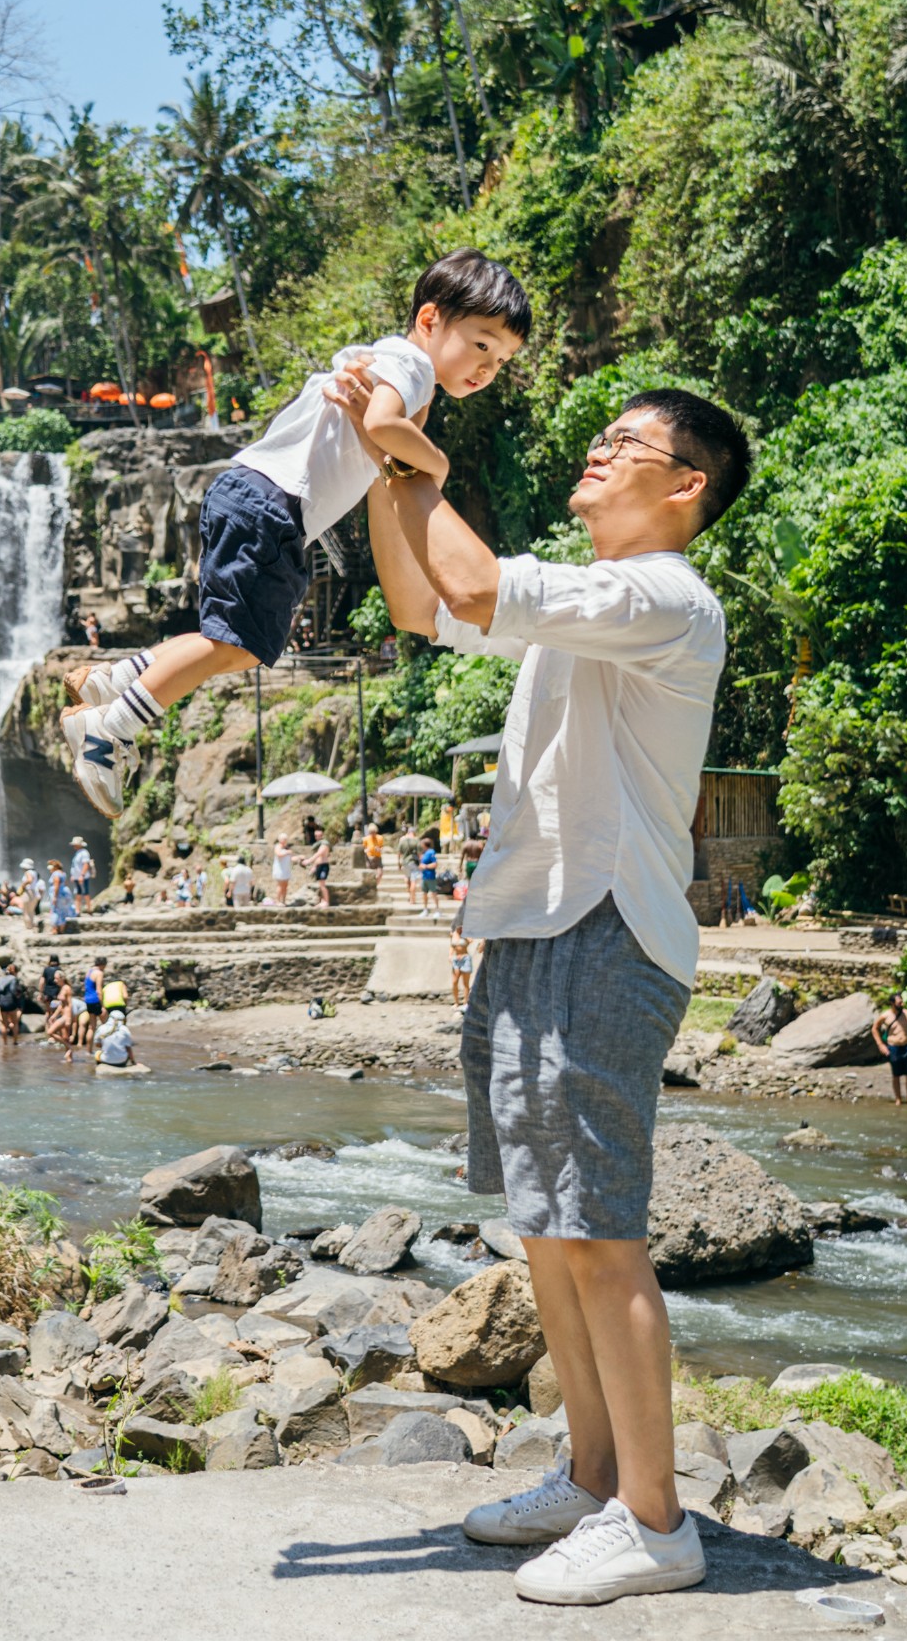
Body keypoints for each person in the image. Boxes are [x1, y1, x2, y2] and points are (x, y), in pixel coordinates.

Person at [330, 363, 751, 1607]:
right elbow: (421, 600)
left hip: (604, 922)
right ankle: (591, 1474)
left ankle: (656, 1520)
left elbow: (465, 575)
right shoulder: (590, 603)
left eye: (626, 443)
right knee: (548, 1220)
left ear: (685, 486)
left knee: (599, 1226)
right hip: (532, 923)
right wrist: (385, 464)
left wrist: (421, 461)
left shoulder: (662, 593)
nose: (598, 449)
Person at [60, 250, 530, 816]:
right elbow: (381, 426)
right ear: (430, 319)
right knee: (236, 644)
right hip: (271, 505)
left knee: (238, 642)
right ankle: (108, 729)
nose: (487, 368)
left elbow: (376, 441)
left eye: (502, 360)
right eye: (482, 344)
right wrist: (438, 465)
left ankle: (117, 678)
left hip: (258, 499)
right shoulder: (411, 367)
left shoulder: (391, 361)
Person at [873, 992, 907, 1106]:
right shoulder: (885, 1016)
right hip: (893, 1047)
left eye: (902, 1001)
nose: (902, 1003)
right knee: (896, 1075)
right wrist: (881, 1045)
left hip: (906, 1046)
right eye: (899, 1002)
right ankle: (898, 1099)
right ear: (892, 1003)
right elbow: (874, 1029)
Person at [0, 961, 24, 1044]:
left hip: (2, 1002)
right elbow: (14, 991)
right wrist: (19, 1003)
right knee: (15, 1023)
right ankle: (15, 1042)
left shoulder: (1, 979)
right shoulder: (14, 979)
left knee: (4, 1024)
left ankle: (5, 1043)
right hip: (11, 1002)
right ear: (15, 972)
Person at [449, 923, 473, 1008]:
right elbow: (452, 946)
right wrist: (450, 955)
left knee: (465, 983)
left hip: (465, 958)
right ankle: (456, 1002)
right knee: (454, 982)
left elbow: (470, 941)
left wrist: (464, 934)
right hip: (456, 958)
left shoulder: (466, 933)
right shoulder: (453, 933)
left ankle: (465, 1002)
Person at [398, 824, 422, 906]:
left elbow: (398, 853)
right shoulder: (416, 840)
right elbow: (419, 854)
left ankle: (409, 895)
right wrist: (421, 863)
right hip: (414, 863)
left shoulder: (402, 840)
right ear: (414, 832)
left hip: (405, 863)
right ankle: (413, 899)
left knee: (407, 880)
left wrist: (399, 863)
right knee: (413, 881)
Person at [70, 836, 95, 914]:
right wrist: (73, 875)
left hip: (83, 877)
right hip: (77, 877)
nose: (74, 846)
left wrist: (82, 875)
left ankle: (89, 909)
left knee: (85, 893)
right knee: (78, 893)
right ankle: (77, 910)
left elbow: (86, 864)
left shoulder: (84, 853)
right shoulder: (78, 853)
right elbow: (75, 866)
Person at [307, 835, 332, 908]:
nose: (317, 837)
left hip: (323, 866)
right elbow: (318, 858)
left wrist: (309, 861)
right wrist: (314, 867)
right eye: (316, 836)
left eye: (319, 836)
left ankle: (326, 901)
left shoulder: (324, 845)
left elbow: (318, 854)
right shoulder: (319, 845)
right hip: (319, 866)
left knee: (322, 885)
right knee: (320, 885)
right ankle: (322, 901)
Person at [418, 839, 440, 917]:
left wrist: (426, 866)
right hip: (424, 876)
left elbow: (435, 864)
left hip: (431, 876)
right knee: (424, 894)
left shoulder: (431, 852)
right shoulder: (424, 853)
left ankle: (437, 910)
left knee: (433, 893)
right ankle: (425, 909)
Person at [18, 859, 40, 933]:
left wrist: (22, 885)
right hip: (34, 893)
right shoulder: (35, 872)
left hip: (28, 892)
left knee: (26, 911)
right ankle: (31, 926)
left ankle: (28, 928)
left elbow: (29, 880)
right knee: (31, 911)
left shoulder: (28, 872)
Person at [271, 836, 292, 906]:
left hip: (286, 869)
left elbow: (291, 858)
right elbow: (279, 854)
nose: (285, 840)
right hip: (280, 869)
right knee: (280, 885)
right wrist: (287, 852)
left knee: (285, 886)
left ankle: (283, 900)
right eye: (283, 839)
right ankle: (277, 901)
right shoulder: (278, 846)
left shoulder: (286, 848)